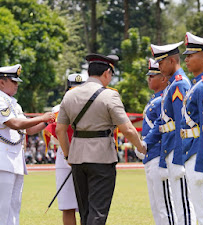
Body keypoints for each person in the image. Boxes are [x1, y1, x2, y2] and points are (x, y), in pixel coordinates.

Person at [55, 53, 146, 225]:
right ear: (106, 73)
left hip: (77, 158)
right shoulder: (109, 96)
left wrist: (68, 156)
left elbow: (60, 129)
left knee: (85, 211)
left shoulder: (70, 95)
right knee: (98, 213)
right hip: (101, 158)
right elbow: (127, 128)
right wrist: (141, 147)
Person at [0, 64, 55, 225]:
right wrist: (42, 117)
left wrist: (48, 122)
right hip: (2, 160)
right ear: (2, 82)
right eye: (13, 81)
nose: (17, 85)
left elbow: (28, 129)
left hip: (14, 160)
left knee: (14, 207)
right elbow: (15, 123)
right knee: (0, 209)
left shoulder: (13, 104)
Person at [144, 41, 195, 225]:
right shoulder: (172, 86)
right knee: (178, 205)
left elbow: (182, 123)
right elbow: (163, 122)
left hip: (177, 148)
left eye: (161, 62)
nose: (159, 67)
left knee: (183, 206)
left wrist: (179, 157)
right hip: (169, 147)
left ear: (172, 61)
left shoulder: (180, 85)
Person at [181, 32, 203, 225]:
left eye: (190, 55)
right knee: (199, 208)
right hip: (190, 149)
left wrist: (202, 163)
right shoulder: (195, 86)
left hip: (198, 152)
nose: (186, 59)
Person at [137, 58, 172, 224]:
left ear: (164, 78)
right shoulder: (155, 99)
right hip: (150, 156)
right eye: (149, 75)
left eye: (153, 75)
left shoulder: (163, 99)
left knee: (165, 207)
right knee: (157, 206)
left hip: (159, 155)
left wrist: (146, 144)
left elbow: (163, 127)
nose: (149, 78)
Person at [54, 73, 88, 225]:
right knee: (67, 206)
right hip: (64, 157)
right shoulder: (57, 109)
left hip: (87, 156)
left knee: (86, 205)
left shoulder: (92, 107)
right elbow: (55, 134)